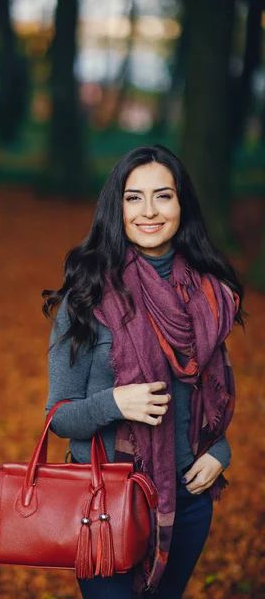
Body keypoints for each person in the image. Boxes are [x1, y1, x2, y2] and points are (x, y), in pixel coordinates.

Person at [43, 145, 244, 599]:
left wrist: (220, 449)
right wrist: (116, 402)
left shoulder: (210, 297)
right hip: (107, 498)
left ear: (181, 205)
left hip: (188, 499)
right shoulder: (88, 293)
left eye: (163, 196)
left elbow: (205, 395)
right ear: (117, 207)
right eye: (134, 198)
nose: (148, 211)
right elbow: (59, 415)